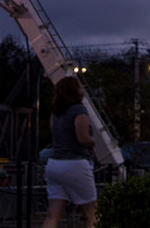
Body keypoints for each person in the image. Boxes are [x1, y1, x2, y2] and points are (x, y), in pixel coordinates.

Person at [42, 76, 96, 228]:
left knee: (53, 215)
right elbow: (83, 138)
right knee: (91, 213)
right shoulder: (79, 110)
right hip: (75, 163)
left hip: (54, 164)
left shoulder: (56, 113)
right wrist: (93, 141)